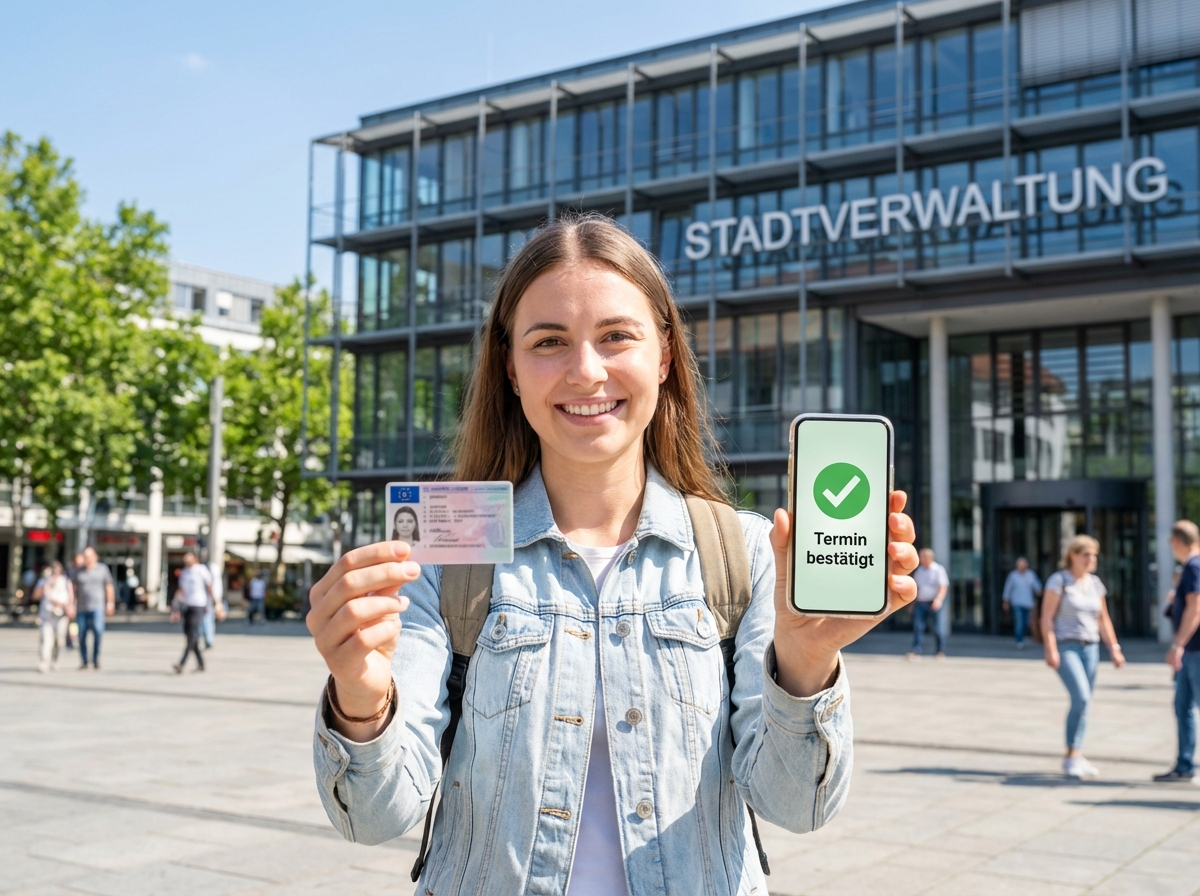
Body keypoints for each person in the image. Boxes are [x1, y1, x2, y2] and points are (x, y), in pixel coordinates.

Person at [305, 215, 920, 895]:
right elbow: (372, 817)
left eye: (616, 336)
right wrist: (360, 703)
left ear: (663, 354)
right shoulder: (447, 557)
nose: (586, 371)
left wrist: (805, 666)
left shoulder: (743, 551)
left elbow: (795, 807)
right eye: (550, 342)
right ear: (509, 367)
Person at [1041, 534, 1124, 778]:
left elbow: (1103, 618)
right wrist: (1051, 648)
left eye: (1094, 555)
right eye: (1086, 554)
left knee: (1085, 704)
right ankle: (1072, 755)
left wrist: (1115, 648)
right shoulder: (1059, 581)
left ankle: (1075, 753)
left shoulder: (1095, 583)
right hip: (1067, 647)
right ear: (1073, 556)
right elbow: (1046, 617)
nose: (1091, 559)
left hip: (1091, 648)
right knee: (1082, 698)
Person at [1153, 520, 1200, 783]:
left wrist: (1178, 645)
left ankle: (1185, 764)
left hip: (1195, 649)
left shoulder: (1194, 566)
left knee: (1187, 706)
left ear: (1176, 542)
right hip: (1191, 649)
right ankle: (1184, 765)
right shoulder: (1192, 566)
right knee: (1182, 706)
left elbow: (1196, 608)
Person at [172, 552, 215, 673]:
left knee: (192, 634)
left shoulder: (201, 570)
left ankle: (181, 663)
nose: (186, 560)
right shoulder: (185, 572)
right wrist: (175, 604)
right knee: (189, 634)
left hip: (199, 605)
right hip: (187, 606)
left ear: (195, 559)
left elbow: (209, 587)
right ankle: (201, 663)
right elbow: (181, 590)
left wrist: (216, 604)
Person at [73, 547, 114, 670]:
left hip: (97, 606)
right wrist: (71, 603)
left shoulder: (102, 569)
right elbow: (73, 588)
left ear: (95, 556)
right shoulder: (78, 571)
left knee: (98, 631)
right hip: (81, 607)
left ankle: (96, 659)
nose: (87, 558)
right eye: (85, 556)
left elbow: (109, 586)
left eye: (89, 556)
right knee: (81, 634)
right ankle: (84, 661)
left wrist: (110, 603)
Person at [907, 548, 949, 659]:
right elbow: (916, 588)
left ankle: (940, 651)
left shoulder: (938, 570)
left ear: (929, 558)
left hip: (933, 602)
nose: (921, 559)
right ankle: (916, 650)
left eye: (922, 557)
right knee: (918, 627)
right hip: (920, 602)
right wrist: (912, 604)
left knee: (937, 628)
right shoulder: (919, 571)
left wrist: (939, 600)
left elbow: (943, 587)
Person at [34, 561, 75, 672]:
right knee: (46, 639)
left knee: (59, 640)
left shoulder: (65, 581)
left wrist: (70, 608)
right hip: (46, 614)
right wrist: (45, 586)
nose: (55, 573)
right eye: (53, 571)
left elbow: (71, 596)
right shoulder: (44, 581)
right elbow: (35, 596)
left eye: (57, 571)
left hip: (61, 614)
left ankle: (55, 660)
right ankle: (44, 662)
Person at [1003, 556, 1042, 649]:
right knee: (1019, 623)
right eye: (1019, 565)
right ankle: (1019, 641)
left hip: (1028, 603)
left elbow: (1037, 586)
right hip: (1017, 603)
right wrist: (1005, 601)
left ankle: (1023, 639)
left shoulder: (1030, 575)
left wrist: (1039, 591)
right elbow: (1008, 589)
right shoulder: (1013, 576)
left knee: (1026, 623)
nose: (1021, 567)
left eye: (1023, 565)